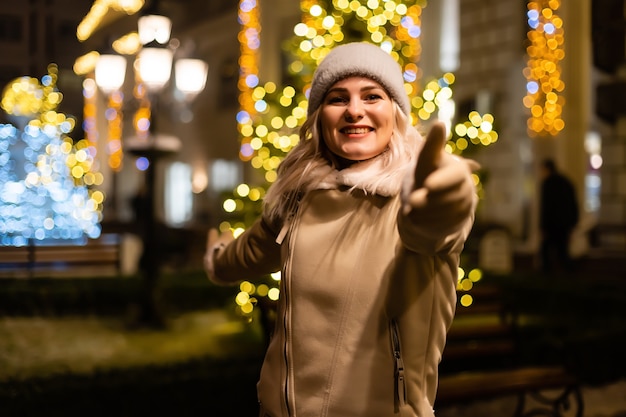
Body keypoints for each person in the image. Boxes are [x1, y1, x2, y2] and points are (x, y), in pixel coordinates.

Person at [204, 42, 478, 417]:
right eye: (338, 98)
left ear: (395, 112)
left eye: (372, 96)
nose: (354, 110)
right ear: (319, 117)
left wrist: (448, 193)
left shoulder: (410, 198)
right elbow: (252, 250)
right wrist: (217, 259)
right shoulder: (298, 196)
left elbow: (435, 224)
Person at [539, 158, 579, 274]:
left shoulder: (548, 184)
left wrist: (543, 226)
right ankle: (568, 275)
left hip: (553, 225)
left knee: (547, 251)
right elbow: (573, 203)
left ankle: (548, 276)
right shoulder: (566, 182)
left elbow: (546, 207)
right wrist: (573, 222)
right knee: (562, 252)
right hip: (565, 224)